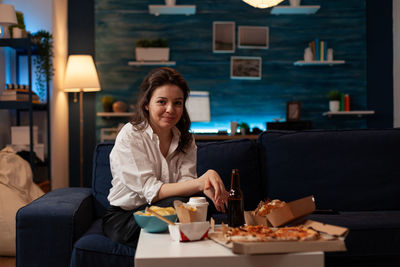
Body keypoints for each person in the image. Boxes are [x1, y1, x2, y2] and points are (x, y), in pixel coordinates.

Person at [103, 67, 228, 247]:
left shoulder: (186, 138)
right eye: (162, 102)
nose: (170, 109)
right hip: (127, 218)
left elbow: (186, 181)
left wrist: (200, 191)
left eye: (177, 103)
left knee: (195, 207)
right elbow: (150, 190)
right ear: (147, 104)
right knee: (182, 207)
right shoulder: (131, 135)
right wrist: (199, 182)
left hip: (166, 208)